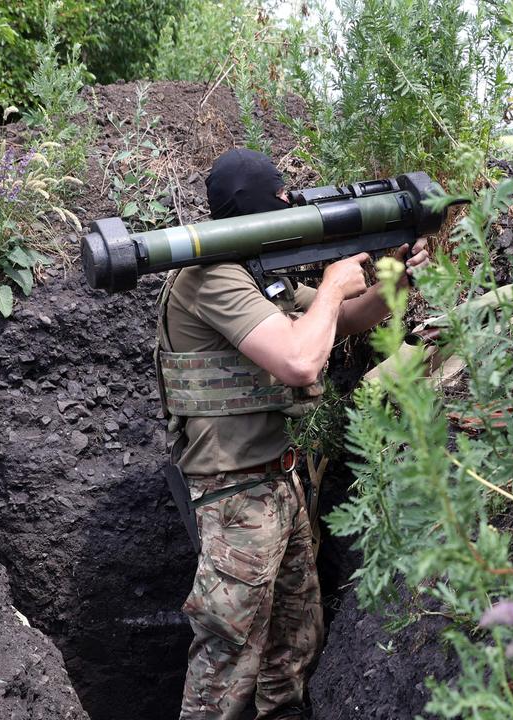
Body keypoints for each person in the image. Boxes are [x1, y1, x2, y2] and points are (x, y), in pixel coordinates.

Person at [156, 148, 429, 719]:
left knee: (294, 646)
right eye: (279, 195)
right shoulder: (212, 277)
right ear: (250, 204)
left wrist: (395, 278)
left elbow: (348, 320)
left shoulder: (254, 274)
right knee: (227, 661)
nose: (288, 204)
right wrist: (331, 286)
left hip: (278, 483)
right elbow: (301, 362)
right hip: (234, 497)